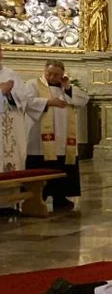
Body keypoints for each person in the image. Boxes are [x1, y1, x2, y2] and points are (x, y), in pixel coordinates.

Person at [23, 59, 90, 210]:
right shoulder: (33, 84)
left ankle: (61, 197)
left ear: (62, 74)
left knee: (62, 166)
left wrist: (67, 88)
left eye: (56, 74)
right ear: (44, 71)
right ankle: (38, 197)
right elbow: (26, 102)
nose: (52, 77)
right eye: (49, 73)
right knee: (41, 166)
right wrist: (48, 102)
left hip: (63, 137)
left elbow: (83, 100)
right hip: (40, 138)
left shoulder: (67, 87)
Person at [0, 44, 30, 173]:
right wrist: (1, 91)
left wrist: (9, 94)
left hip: (12, 124)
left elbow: (24, 97)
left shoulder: (10, 73)